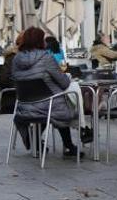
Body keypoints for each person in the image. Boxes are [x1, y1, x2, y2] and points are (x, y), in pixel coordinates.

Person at [11, 27, 83, 158]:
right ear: (40, 41)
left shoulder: (16, 59)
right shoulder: (46, 58)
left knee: (48, 103)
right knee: (60, 102)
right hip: (46, 105)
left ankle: (36, 138)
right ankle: (69, 145)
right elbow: (64, 83)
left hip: (23, 106)